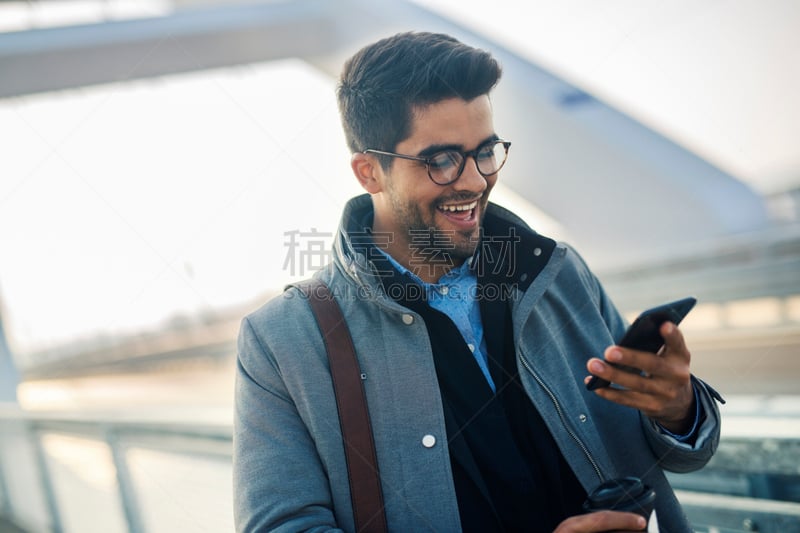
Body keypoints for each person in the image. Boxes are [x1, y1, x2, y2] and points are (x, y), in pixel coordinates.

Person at [233, 31, 723, 532]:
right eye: (441, 160)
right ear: (369, 172)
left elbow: (681, 452)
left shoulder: (558, 271)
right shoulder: (282, 341)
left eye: (485, 151)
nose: (473, 181)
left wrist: (678, 409)